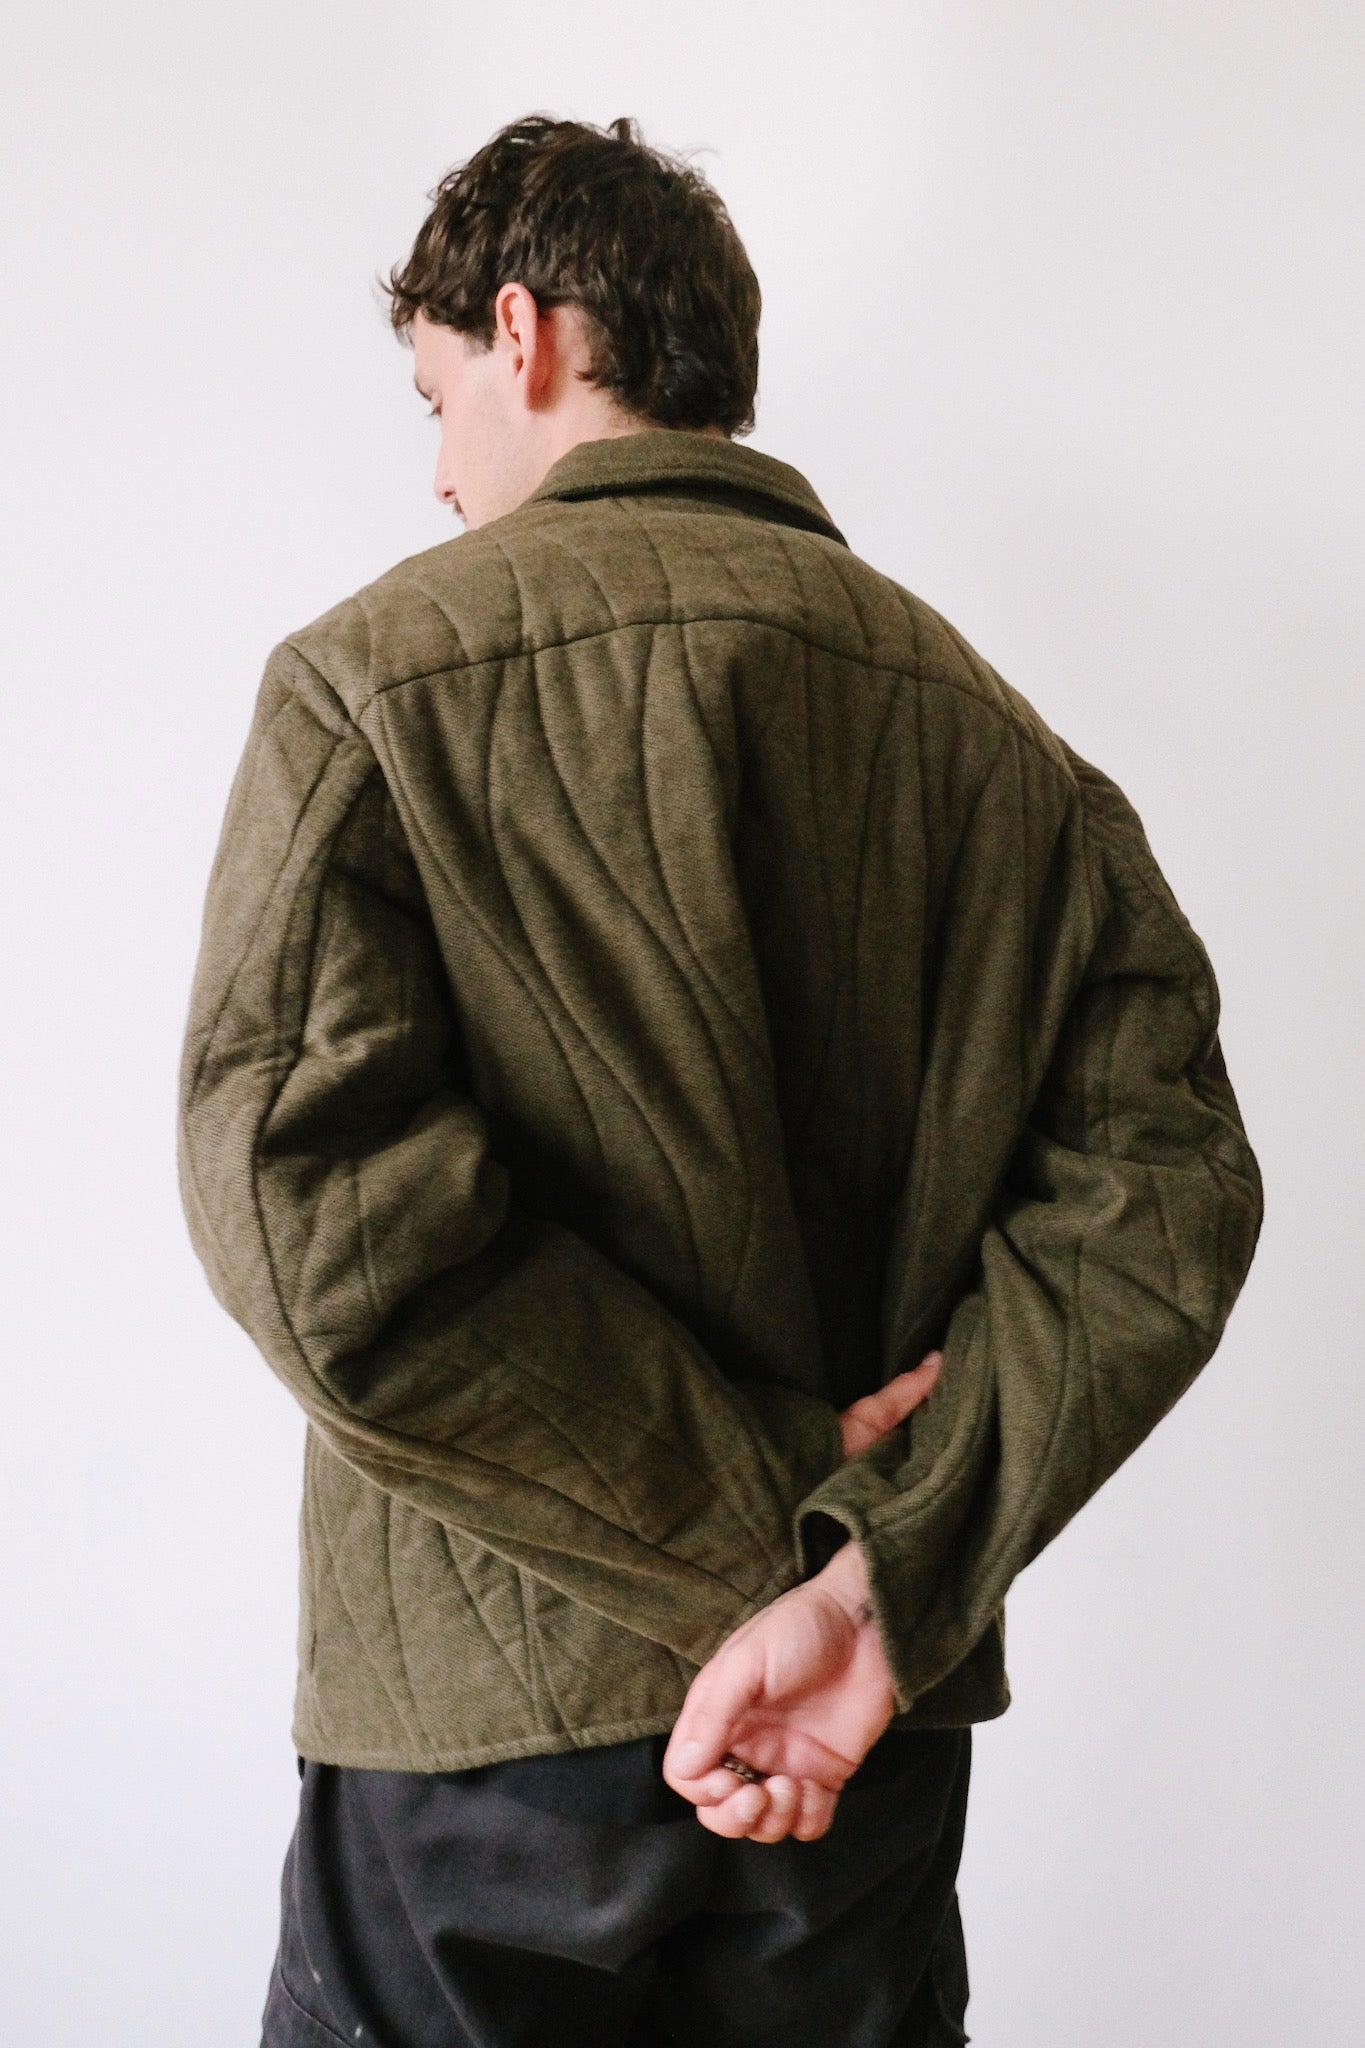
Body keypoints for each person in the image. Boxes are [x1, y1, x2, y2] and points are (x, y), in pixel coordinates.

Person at [178, 114, 1263, 2048]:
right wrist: (861, 1569)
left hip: (482, 1728)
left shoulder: (373, 682)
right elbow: (1162, 1198)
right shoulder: (1000, 742)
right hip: (848, 1735)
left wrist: (752, 1513)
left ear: (524, 335)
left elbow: (306, 1214)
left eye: (434, 397)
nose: (437, 472)